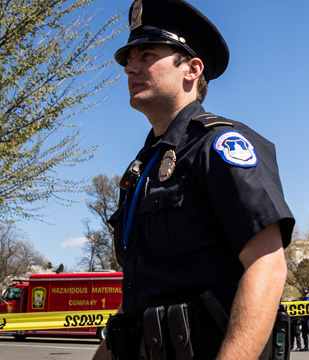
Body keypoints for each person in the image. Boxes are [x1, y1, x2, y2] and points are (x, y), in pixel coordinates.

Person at [92, 0, 294, 359]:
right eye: (128, 59)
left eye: (146, 54)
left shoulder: (219, 146)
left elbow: (267, 264)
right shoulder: (142, 170)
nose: (130, 67)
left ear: (191, 68)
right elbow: (140, 295)